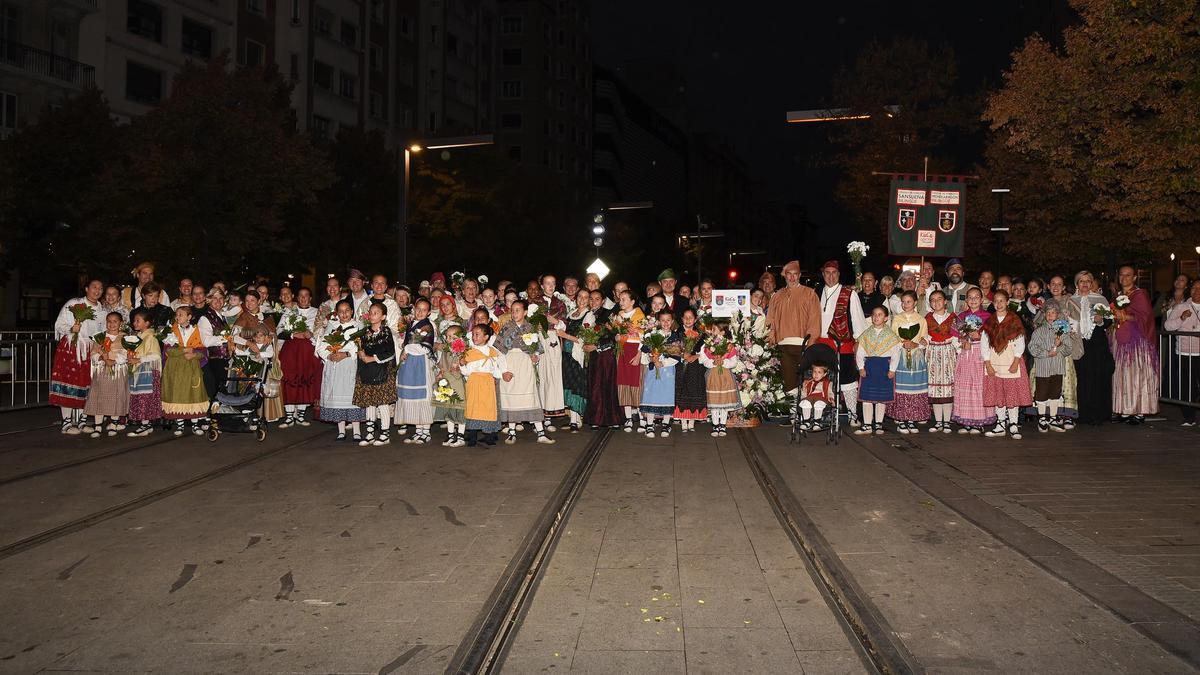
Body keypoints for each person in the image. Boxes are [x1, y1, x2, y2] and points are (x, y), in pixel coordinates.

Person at [765, 260, 822, 417]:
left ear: (800, 275)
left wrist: (810, 343)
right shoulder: (777, 296)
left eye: (795, 274)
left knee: (806, 382)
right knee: (789, 383)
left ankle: (808, 415)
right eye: (788, 274)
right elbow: (771, 321)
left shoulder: (810, 294)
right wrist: (771, 338)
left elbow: (815, 321)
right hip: (783, 345)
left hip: (803, 345)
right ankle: (794, 415)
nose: (792, 278)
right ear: (785, 276)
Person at [495, 300, 555, 444]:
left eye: (518, 310)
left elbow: (536, 350)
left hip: (525, 366)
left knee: (530, 397)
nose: (515, 313)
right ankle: (511, 431)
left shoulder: (530, 328)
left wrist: (535, 357)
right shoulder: (506, 328)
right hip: (510, 364)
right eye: (512, 310)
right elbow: (499, 352)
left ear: (525, 312)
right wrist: (503, 371)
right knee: (510, 399)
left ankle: (540, 433)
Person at [816, 259, 866, 427]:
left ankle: (852, 414)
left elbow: (858, 320)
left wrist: (858, 341)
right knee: (823, 380)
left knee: (847, 380)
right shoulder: (816, 292)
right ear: (823, 274)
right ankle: (826, 412)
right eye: (827, 273)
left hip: (843, 344)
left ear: (839, 274)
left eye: (834, 273)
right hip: (821, 344)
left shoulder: (849, 293)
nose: (830, 276)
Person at [50, 279, 104, 434]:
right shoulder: (73, 304)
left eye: (100, 288)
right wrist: (72, 329)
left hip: (89, 350)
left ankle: (82, 420)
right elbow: (59, 325)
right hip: (71, 347)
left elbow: (100, 334)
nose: (97, 290)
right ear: (87, 288)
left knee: (86, 384)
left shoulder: (101, 310)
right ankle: (66, 422)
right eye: (94, 287)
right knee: (67, 383)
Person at [981, 289, 1033, 439]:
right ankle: (1000, 424)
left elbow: (1020, 343)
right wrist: (987, 363)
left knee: (1012, 394)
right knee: (998, 394)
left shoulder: (1014, 320)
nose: (999, 304)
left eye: (1002, 301)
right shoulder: (990, 322)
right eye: (996, 301)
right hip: (995, 362)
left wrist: (1016, 361)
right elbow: (984, 344)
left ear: (1007, 302)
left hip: (1010, 361)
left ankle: (1014, 424)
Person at [1111, 265, 1159, 423]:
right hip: (1122, 340)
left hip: (1137, 342)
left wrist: (1125, 316)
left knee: (1137, 374)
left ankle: (1139, 410)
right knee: (1123, 374)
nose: (1124, 278)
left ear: (1134, 278)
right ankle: (1125, 409)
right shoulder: (1119, 295)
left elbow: (1145, 317)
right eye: (1121, 275)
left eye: (1128, 275)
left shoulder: (1140, 295)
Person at [1066, 271, 1114, 426]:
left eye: (1088, 281)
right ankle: (1084, 414)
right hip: (1080, 343)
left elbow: (1108, 322)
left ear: (1092, 283)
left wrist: (1101, 320)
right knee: (1083, 378)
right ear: (1076, 284)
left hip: (1097, 343)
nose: (1085, 284)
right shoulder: (1071, 300)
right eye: (1081, 281)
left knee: (1099, 378)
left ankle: (1099, 414)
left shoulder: (1101, 299)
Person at [316, 299, 366, 442]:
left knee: (351, 397)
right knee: (337, 397)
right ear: (336, 313)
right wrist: (330, 355)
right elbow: (321, 345)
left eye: (347, 311)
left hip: (350, 365)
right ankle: (341, 430)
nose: (344, 314)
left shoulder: (358, 326)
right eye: (341, 311)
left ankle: (356, 431)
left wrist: (346, 354)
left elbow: (361, 346)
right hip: (335, 367)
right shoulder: (332, 327)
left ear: (351, 311)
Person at [951, 288, 996, 434]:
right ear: (966, 300)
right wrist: (963, 339)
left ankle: (978, 422)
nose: (973, 300)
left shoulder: (988, 316)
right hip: (965, 353)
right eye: (970, 297)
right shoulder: (961, 316)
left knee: (978, 386)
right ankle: (966, 421)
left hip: (980, 353)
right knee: (964, 386)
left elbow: (993, 336)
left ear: (982, 299)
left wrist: (980, 335)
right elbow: (954, 334)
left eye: (977, 297)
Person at [161, 305, 210, 436]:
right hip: (176, 368)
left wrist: (194, 354)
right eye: (176, 315)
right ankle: (180, 425)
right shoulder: (171, 330)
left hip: (192, 367)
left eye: (181, 314)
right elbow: (167, 350)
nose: (177, 317)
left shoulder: (197, 331)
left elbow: (203, 350)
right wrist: (183, 350)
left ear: (189, 317)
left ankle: (195, 425)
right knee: (178, 394)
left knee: (194, 394)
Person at [353, 301, 398, 446]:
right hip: (367, 371)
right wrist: (361, 353)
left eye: (376, 313)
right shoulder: (364, 332)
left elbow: (389, 352)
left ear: (383, 316)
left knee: (382, 403)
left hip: (381, 371)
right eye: (371, 312)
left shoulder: (386, 332)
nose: (372, 315)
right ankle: (370, 433)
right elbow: (361, 349)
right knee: (369, 403)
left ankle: (385, 434)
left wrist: (371, 358)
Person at [277, 287, 321, 428]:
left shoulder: (317, 312)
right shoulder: (290, 311)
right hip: (290, 350)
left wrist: (312, 333)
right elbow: (278, 331)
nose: (303, 298)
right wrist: (292, 334)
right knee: (289, 378)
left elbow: (322, 331)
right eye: (301, 296)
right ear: (297, 297)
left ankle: (301, 415)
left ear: (310, 298)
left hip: (307, 351)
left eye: (306, 295)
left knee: (305, 378)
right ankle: (289, 416)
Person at [1028, 299, 1074, 432]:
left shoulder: (1063, 331)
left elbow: (1068, 349)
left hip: (1057, 368)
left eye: (1053, 313)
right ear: (1044, 314)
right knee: (1041, 393)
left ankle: (1053, 417)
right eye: (1048, 312)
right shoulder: (1039, 331)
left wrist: (1059, 346)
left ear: (1058, 314)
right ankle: (1042, 417)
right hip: (1043, 368)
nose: (1050, 315)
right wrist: (1046, 353)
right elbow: (1032, 348)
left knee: (1055, 392)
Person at [888, 290, 930, 433]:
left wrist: (917, 344)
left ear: (915, 302)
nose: (905, 304)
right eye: (903, 302)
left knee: (914, 387)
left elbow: (925, 339)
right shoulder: (897, 319)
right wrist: (903, 343)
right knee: (901, 387)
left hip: (916, 357)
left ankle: (912, 419)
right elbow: (893, 338)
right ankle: (900, 419)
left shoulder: (921, 319)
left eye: (909, 302)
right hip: (901, 357)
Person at [395, 298, 436, 444]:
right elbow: (407, 342)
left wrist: (406, 348)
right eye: (418, 309)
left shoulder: (427, 326)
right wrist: (404, 351)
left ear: (429, 312)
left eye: (424, 310)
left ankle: (426, 432)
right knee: (412, 396)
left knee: (423, 397)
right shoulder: (411, 324)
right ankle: (418, 431)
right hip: (409, 364)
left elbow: (424, 348)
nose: (420, 312)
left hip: (421, 363)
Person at [855, 306, 902, 435]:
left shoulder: (891, 336)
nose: (876, 317)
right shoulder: (866, 334)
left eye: (880, 315)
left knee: (881, 397)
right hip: (869, 367)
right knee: (867, 397)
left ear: (886, 318)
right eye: (874, 314)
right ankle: (867, 424)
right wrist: (861, 367)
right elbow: (860, 353)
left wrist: (892, 369)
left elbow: (896, 354)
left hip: (884, 367)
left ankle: (879, 424)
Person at [83, 311, 130, 437]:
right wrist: (103, 358)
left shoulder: (125, 337)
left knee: (116, 397)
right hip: (102, 370)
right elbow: (93, 353)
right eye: (109, 321)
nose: (112, 324)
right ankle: (98, 426)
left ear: (121, 323)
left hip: (118, 370)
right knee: (100, 397)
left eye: (115, 321)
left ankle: (113, 424)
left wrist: (114, 361)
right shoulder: (100, 337)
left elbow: (128, 354)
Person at [460, 323, 506, 447]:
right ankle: (472, 436)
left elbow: (494, 369)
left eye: (477, 335)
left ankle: (489, 435)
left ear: (486, 337)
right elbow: (466, 371)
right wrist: (462, 364)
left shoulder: (492, 352)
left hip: (487, 383)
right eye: (473, 335)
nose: (474, 337)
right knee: (474, 407)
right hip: (474, 382)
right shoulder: (469, 352)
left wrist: (502, 375)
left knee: (488, 408)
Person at [1163, 279, 1200, 426]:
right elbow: (1168, 326)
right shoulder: (1181, 307)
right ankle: (1189, 417)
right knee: (1187, 386)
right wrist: (1182, 318)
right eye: (1194, 289)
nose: (1196, 291)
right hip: (1186, 353)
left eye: (1199, 288)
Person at [584, 290, 622, 429]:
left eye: (597, 299)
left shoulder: (608, 314)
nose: (594, 302)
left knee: (607, 384)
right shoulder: (587, 314)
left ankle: (612, 418)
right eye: (591, 299)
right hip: (594, 356)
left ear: (603, 300)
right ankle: (596, 418)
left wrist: (596, 345)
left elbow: (614, 336)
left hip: (606, 355)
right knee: (595, 386)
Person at [639, 310, 680, 438]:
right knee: (651, 395)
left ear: (672, 321)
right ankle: (649, 424)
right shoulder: (652, 335)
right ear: (658, 322)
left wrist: (663, 363)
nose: (666, 323)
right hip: (653, 371)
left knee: (667, 396)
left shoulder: (675, 337)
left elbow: (677, 356)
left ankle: (666, 424)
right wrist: (652, 359)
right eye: (663, 320)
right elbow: (645, 352)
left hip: (667, 371)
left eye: (668, 320)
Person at [612, 289, 647, 432]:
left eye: (624, 299)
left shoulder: (639, 316)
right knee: (623, 382)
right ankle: (628, 419)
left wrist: (639, 354)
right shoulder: (618, 316)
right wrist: (616, 337)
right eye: (620, 299)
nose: (621, 302)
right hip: (622, 352)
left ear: (632, 301)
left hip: (634, 352)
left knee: (637, 384)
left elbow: (644, 337)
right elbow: (616, 334)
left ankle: (642, 418)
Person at [125, 308, 163, 437]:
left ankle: (145, 424)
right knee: (141, 397)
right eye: (134, 321)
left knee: (145, 398)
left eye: (137, 320)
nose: (134, 323)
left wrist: (138, 359)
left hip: (147, 372)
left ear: (147, 323)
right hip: (140, 372)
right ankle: (145, 424)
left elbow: (156, 356)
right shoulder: (139, 337)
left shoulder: (150, 337)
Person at [559, 289, 593, 432]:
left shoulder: (589, 315)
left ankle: (574, 420)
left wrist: (565, 335)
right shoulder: (570, 313)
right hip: (566, 353)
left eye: (586, 297)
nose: (582, 299)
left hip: (576, 355)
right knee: (569, 385)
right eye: (580, 296)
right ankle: (575, 419)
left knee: (576, 385)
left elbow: (583, 339)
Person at [924, 291, 957, 433]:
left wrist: (960, 349)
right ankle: (938, 421)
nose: (936, 302)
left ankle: (947, 421)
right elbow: (924, 335)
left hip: (947, 353)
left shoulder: (952, 318)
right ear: (930, 303)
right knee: (935, 388)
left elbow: (957, 336)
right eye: (933, 300)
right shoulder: (927, 318)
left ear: (945, 302)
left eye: (939, 299)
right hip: (932, 353)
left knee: (947, 388)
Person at [699, 320, 740, 437]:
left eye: (714, 329)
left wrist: (724, 361)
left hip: (725, 376)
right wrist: (713, 362)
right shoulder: (708, 344)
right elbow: (703, 360)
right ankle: (715, 424)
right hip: (713, 375)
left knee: (724, 401)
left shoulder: (729, 345)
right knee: (714, 400)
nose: (711, 331)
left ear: (722, 332)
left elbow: (733, 362)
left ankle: (723, 424)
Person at [672, 308, 708, 433]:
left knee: (694, 391)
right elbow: (672, 349)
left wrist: (696, 356)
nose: (688, 320)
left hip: (696, 368)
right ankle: (683, 422)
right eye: (685, 317)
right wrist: (682, 355)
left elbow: (705, 350)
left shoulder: (701, 334)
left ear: (695, 319)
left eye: (691, 317)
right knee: (683, 391)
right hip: (682, 367)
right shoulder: (677, 333)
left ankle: (692, 421)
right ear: (681, 319)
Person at [434, 324, 469, 447]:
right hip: (447, 381)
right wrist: (440, 373)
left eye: (452, 337)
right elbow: (442, 364)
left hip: (457, 382)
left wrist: (460, 364)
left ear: (460, 339)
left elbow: (466, 365)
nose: (449, 340)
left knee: (459, 408)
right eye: (447, 337)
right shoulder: (445, 349)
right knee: (448, 408)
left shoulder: (463, 351)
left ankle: (460, 435)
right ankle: (450, 434)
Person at [798, 364, 835, 431]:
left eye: (819, 372)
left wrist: (831, 398)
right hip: (810, 397)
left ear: (824, 374)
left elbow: (830, 392)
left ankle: (817, 422)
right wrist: (803, 388)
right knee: (805, 402)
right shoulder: (808, 382)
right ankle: (806, 422)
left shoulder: (828, 383)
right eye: (814, 372)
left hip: (822, 398)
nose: (816, 374)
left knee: (818, 403)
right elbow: (804, 394)